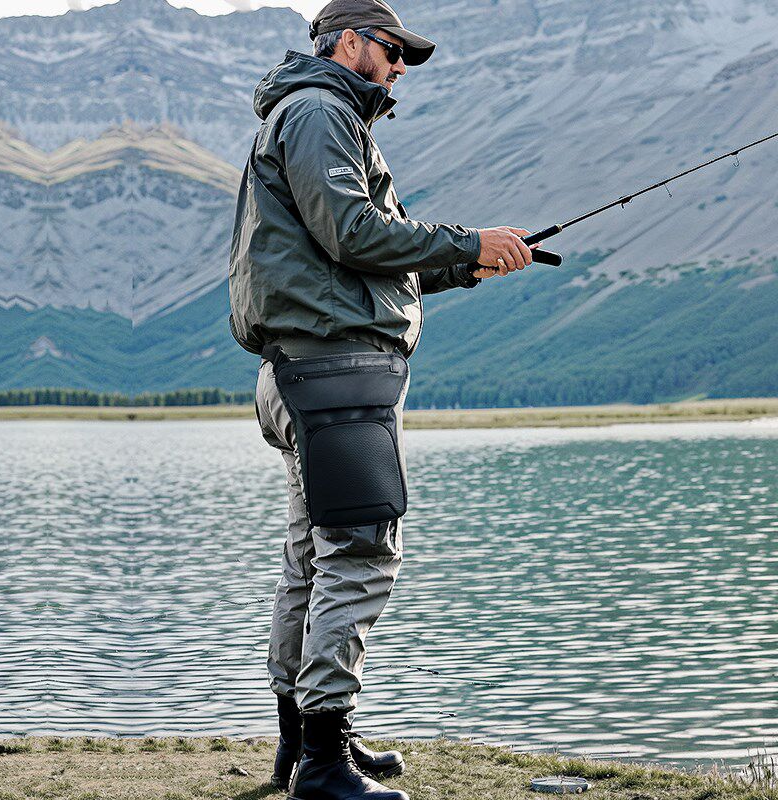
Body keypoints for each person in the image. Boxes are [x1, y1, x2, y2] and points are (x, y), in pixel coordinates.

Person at [228, 1, 534, 797]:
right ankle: (324, 763)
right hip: (335, 376)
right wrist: (466, 240)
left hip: (304, 372)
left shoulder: (312, 114)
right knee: (362, 554)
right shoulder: (323, 111)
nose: (401, 65)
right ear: (350, 41)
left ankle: (305, 744)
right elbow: (352, 232)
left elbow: (359, 255)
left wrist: (469, 264)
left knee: (311, 561)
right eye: (394, 50)